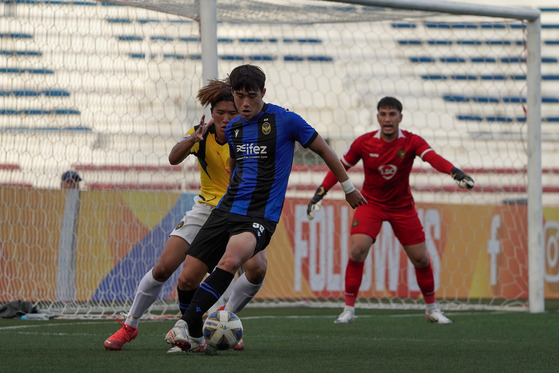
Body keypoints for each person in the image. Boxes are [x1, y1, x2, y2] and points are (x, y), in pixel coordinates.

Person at [164, 64, 367, 353]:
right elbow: (234, 166)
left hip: (260, 216)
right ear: (232, 93)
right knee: (187, 276)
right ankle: (195, 337)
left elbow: (324, 150)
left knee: (231, 260)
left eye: (252, 96)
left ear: (264, 93)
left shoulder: (286, 120)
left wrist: (348, 188)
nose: (245, 103)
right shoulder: (234, 128)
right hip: (226, 209)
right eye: (239, 96)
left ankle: (185, 323)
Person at [103, 80, 266, 352]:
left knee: (257, 269)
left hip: (241, 210)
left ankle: (221, 320)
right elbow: (173, 158)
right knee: (165, 268)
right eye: (219, 113)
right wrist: (193, 138)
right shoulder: (202, 133)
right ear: (212, 113)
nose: (225, 119)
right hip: (205, 209)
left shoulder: (252, 136)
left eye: (232, 113)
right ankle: (130, 326)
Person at [307, 96, 474, 324]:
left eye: (392, 114)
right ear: (377, 117)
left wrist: (455, 172)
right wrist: (321, 192)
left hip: (402, 207)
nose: (387, 119)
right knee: (357, 250)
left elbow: (432, 158)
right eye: (383, 114)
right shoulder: (364, 143)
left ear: (400, 118)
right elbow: (340, 165)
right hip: (371, 204)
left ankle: (432, 308)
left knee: (421, 259)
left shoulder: (411, 141)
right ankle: (348, 310)